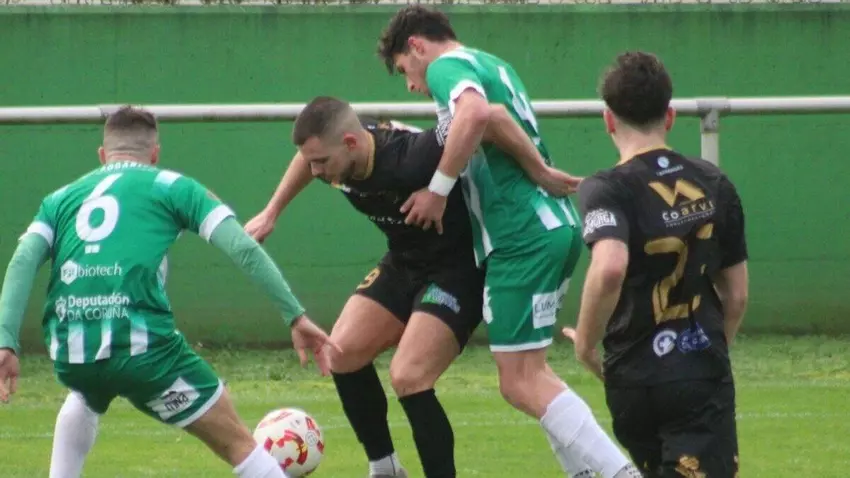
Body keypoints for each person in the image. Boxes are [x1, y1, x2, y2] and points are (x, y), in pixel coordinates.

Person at [244, 95, 577, 478]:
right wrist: (272, 212)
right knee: (342, 352)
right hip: (404, 261)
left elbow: (488, 116)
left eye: (322, 162)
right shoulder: (337, 151)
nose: (316, 170)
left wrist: (538, 171)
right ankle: (385, 469)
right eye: (312, 161)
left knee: (409, 376)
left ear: (350, 143)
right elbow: (307, 157)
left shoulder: (412, 155)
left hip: (457, 271)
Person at [0, 105, 338, 478]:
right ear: (155, 154)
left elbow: (22, 261)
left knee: (86, 392)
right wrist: (294, 314)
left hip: (71, 351)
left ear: (102, 155)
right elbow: (242, 247)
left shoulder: (59, 198)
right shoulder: (174, 186)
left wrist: (5, 341)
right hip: (144, 351)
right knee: (236, 440)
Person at [376, 6, 641, 478]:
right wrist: (539, 170)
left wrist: (437, 190)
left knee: (518, 382)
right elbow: (494, 116)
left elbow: (478, 113)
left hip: (521, 236)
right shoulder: (492, 63)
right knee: (531, 374)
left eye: (403, 70)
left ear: (416, 46)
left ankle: (623, 473)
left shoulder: (443, 66)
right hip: (549, 226)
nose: (412, 85)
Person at [562, 51, 749, 477]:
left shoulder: (604, 188)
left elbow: (609, 268)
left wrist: (585, 345)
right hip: (698, 374)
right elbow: (736, 295)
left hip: (632, 380)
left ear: (609, 121)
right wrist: (711, 356)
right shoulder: (713, 182)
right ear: (670, 116)